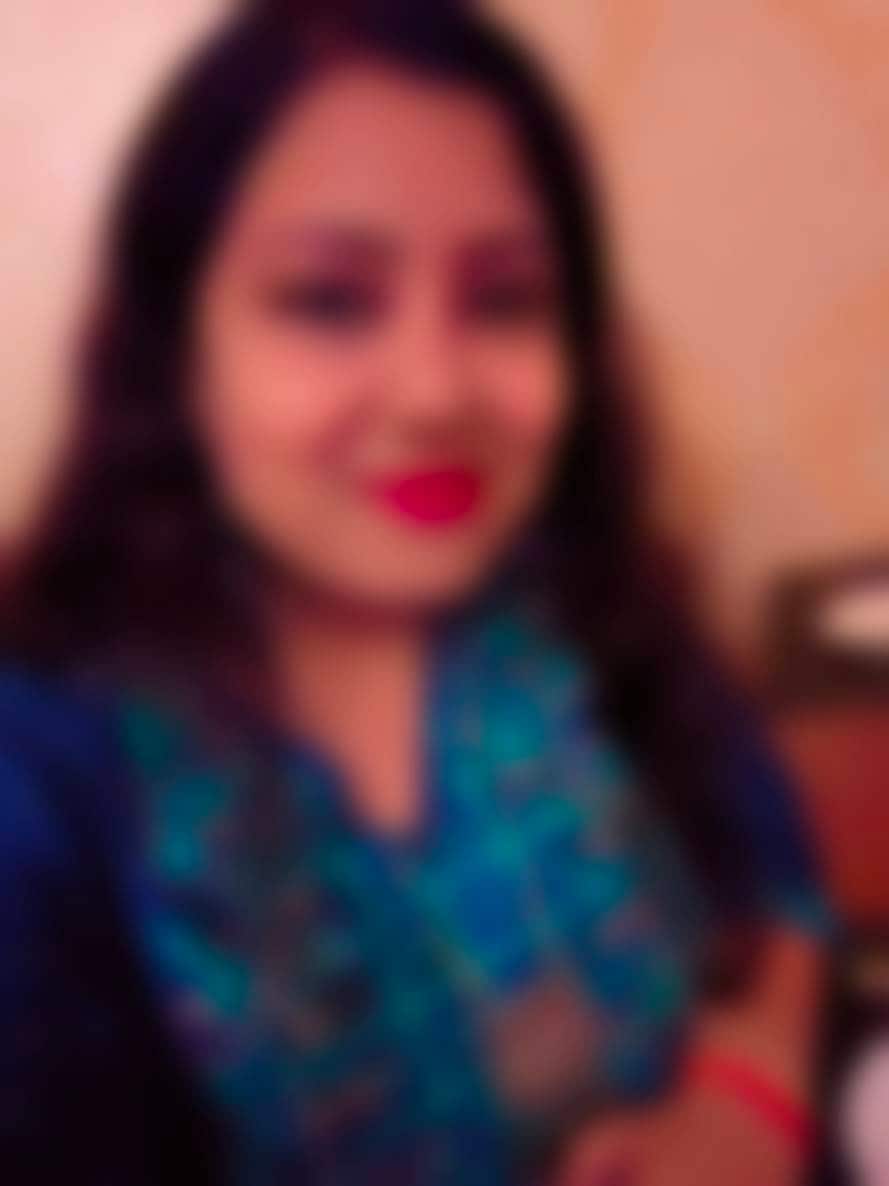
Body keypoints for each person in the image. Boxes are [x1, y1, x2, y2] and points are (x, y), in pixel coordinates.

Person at [0, 2, 833, 1184]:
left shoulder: (594, 596)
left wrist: (743, 1100)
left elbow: (777, 887)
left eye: (503, 301)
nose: (436, 393)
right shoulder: (42, 780)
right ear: (177, 350)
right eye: (329, 300)